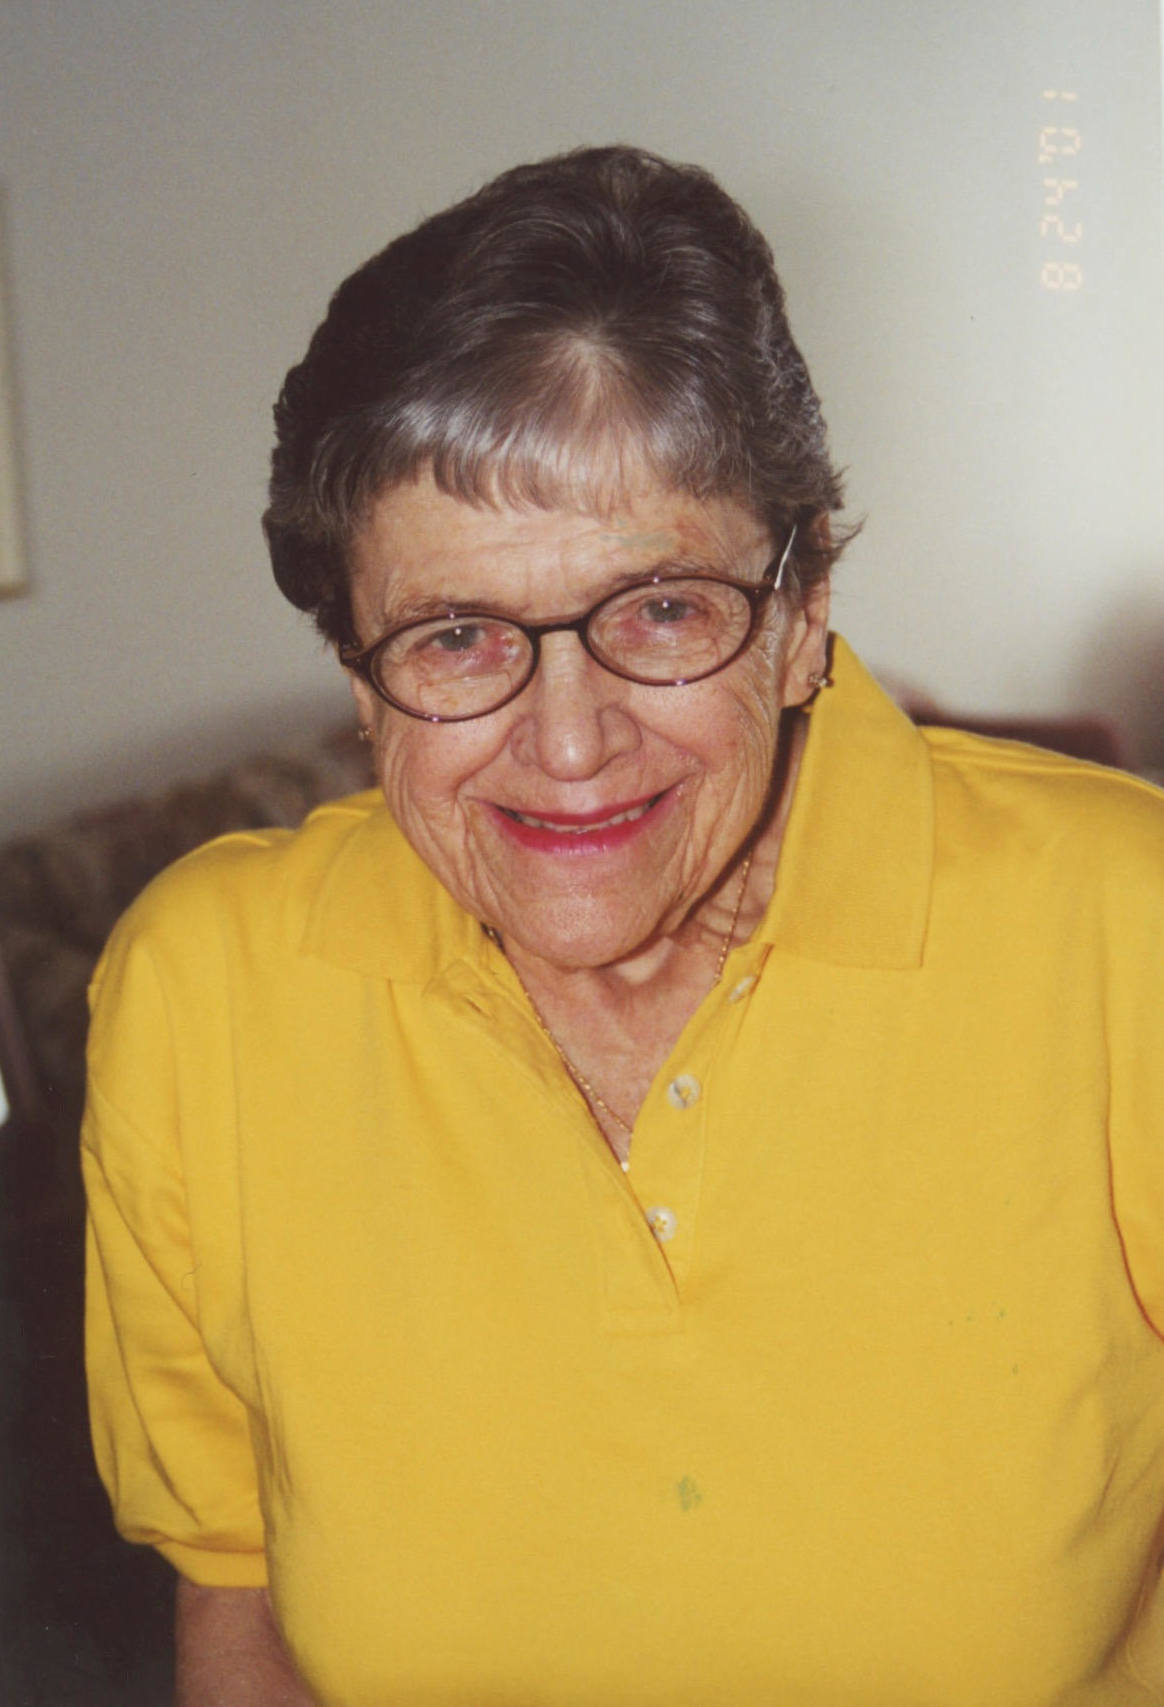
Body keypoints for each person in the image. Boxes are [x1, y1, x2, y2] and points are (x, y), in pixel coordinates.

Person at [82, 146, 1164, 1706]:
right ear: (352, 668)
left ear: (799, 616)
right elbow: (235, 1597)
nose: (570, 745)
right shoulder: (207, 991)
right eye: (455, 637)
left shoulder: (1121, 929)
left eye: (660, 611)